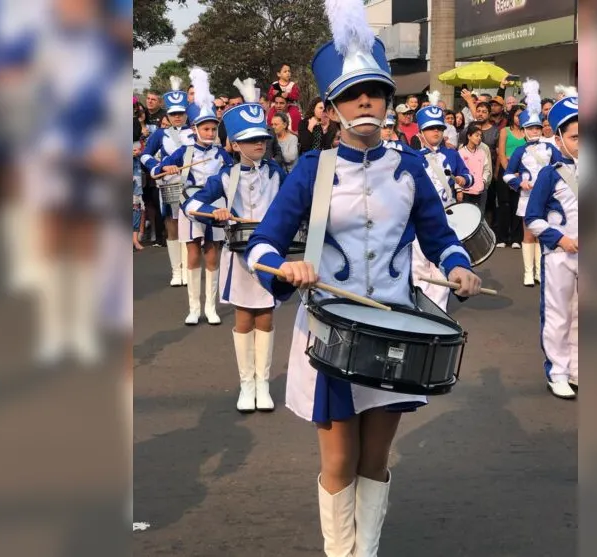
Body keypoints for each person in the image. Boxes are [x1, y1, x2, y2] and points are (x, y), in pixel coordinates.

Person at [244, 1, 482, 552]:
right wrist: (287, 266)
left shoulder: (411, 169)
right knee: (340, 459)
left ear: (389, 101)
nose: (366, 101)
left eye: (375, 91)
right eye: (352, 94)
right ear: (333, 107)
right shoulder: (312, 170)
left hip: (395, 328)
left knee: (376, 459)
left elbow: (440, 237)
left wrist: (459, 268)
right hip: (332, 333)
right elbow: (262, 246)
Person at [182, 91, 287, 413]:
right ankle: (246, 384)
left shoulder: (277, 172)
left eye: (262, 138)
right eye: (250, 140)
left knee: (266, 318)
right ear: (235, 145)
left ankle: (263, 383)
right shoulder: (225, 175)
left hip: (270, 253)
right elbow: (190, 204)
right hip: (239, 256)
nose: (259, 144)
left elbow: (294, 204)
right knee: (244, 318)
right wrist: (215, 213)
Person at [152, 67, 232, 326]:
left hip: (215, 207)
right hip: (189, 206)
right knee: (193, 253)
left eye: (213, 129)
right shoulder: (185, 152)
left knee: (212, 253)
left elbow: (233, 177)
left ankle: (211, 307)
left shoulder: (222, 155)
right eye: (205, 129)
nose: (210, 133)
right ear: (196, 129)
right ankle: (194, 308)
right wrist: (166, 167)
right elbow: (156, 169)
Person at [524, 96, 578, 400]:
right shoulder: (550, 173)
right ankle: (557, 371)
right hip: (559, 256)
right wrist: (561, 240)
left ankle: (577, 368)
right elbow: (533, 218)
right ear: (558, 139)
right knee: (558, 314)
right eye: (575, 137)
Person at [410, 103, 474, 310]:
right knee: (418, 266)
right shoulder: (413, 158)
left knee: (441, 266)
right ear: (421, 132)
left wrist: (463, 180)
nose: (436, 131)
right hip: (419, 218)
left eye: (439, 127)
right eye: (430, 128)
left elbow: (470, 176)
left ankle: (438, 311)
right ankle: (420, 308)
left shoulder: (452, 155)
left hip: (446, 215)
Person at [139, 76, 195, 287]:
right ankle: (176, 271)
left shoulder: (194, 132)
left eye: (180, 113)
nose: (177, 117)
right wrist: (159, 166)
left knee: (189, 228)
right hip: (169, 185)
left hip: (191, 186)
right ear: (168, 115)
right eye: (173, 114)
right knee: (172, 227)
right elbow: (145, 155)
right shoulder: (161, 134)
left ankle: (190, 269)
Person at [504, 80, 560, 287]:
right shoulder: (520, 150)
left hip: (547, 198)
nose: (535, 131)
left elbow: (560, 169)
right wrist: (520, 183)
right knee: (528, 234)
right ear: (525, 130)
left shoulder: (550, 148)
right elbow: (507, 174)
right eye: (531, 128)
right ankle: (528, 272)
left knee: (544, 234)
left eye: (538, 127)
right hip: (527, 198)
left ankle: (540, 271)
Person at [497, 105, 525, 248]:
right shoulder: (504, 131)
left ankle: (516, 238)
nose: (519, 119)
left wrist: (518, 172)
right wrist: (509, 172)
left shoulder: (527, 132)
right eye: (516, 116)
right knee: (504, 204)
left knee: (517, 205)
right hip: (506, 169)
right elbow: (501, 153)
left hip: (522, 172)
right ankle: (501, 238)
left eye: (522, 115)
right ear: (512, 116)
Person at [458, 123, 492, 209]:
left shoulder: (482, 152)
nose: (479, 138)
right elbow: (457, 172)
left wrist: (483, 181)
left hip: (479, 190)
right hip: (465, 190)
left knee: (479, 215)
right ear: (469, 136)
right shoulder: (461, 152)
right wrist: (458, 190)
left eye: (480, 136)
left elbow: (486, 169)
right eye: (477, 135)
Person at [267, 63, 302, 132]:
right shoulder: (275, 85)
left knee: (295, 114)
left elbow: (296, 96)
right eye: (285, 71)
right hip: (276, 105)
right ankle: (270, 131)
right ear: (279, 74)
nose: (288, 73)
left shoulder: (292, 85)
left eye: (289, 71)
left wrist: (288, 95)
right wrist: (273, 94)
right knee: (271, 114)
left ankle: (295, 131)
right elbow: (270, 97)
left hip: (290, 105)